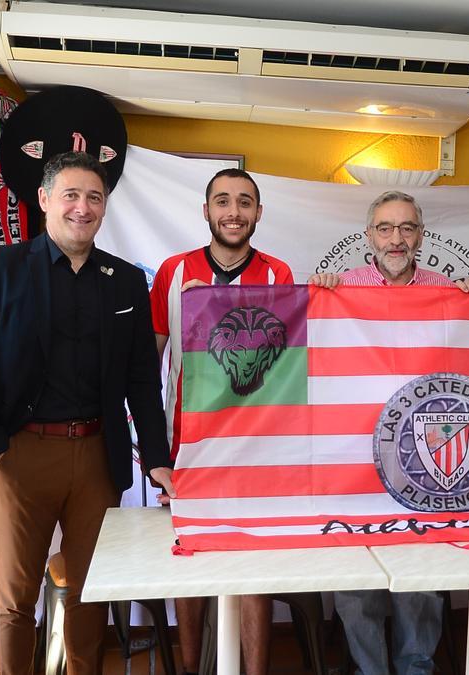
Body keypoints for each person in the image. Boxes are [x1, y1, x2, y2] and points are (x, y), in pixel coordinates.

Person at [0, 151, 173, 675]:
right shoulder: (1, 267)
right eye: (70, 194)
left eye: (94, 197)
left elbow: (142, 378)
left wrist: (157, 459)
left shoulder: (123, 281)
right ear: (46, 200)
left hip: (98, 455)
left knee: (90, 590)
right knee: (15, 595)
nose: (82, 206)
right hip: (22, 453)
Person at [309, 190, 469, 675]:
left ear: (421, 237)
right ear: (369, 236)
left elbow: (467, 362)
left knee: (420, 578)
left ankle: (416, 668)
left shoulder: (444, 289)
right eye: (385, 228)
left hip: (420, 456)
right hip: (355, 456)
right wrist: (319, 293)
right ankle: (370, 670)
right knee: (355, 576)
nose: (396, 238)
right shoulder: (340, 288)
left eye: (407, 228)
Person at [151, 168, 293, 675]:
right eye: (223, 201)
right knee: (188, 559)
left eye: (245, 202)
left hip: (257, 448)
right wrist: (151, 447)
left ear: (258, 213)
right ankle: (192, 668)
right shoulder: (173, 271)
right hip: (186, 444)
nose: (234, 212)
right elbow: (152, 361)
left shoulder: (278, 273)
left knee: (252, 567)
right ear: (205, 210)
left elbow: (288, 366)